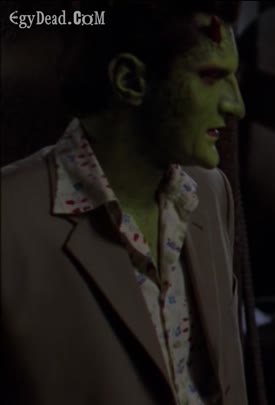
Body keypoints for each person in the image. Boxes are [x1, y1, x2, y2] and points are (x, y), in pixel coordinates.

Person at [1, 2, 249, 404]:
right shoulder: (11, 217)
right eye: (210, 76)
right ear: (130, 80)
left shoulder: (208, 193)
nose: (235, 104)